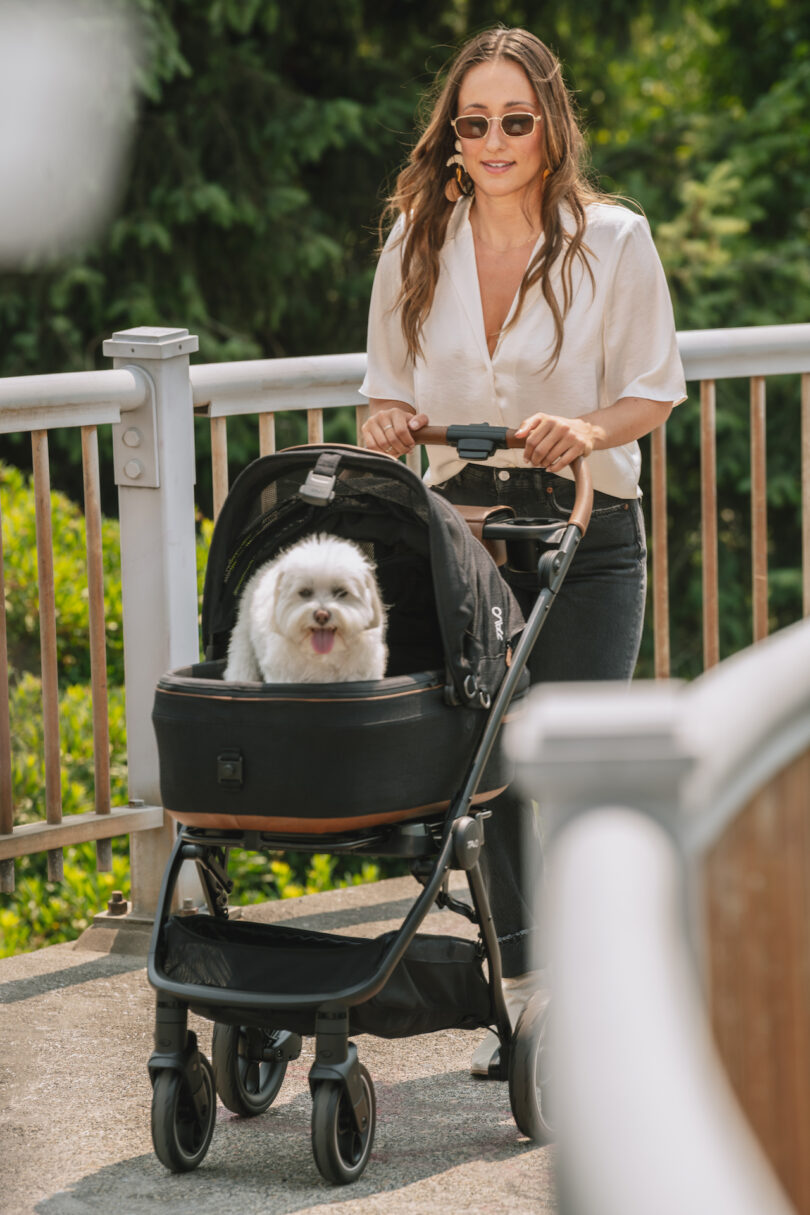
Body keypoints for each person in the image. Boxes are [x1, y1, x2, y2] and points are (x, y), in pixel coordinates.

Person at [359, 26, 687, 1074]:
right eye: (473, 122)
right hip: (462, 534)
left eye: (515, 119)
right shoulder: (417, 233)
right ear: (451, 136)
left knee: (571, 768)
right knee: (490, 766)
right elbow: (382, 384)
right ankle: (530, 1006)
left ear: (549, 124)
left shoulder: (615, 240)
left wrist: (586, 428)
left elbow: (654, 389)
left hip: (586, 528)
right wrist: (388, 420)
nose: (494, 139)